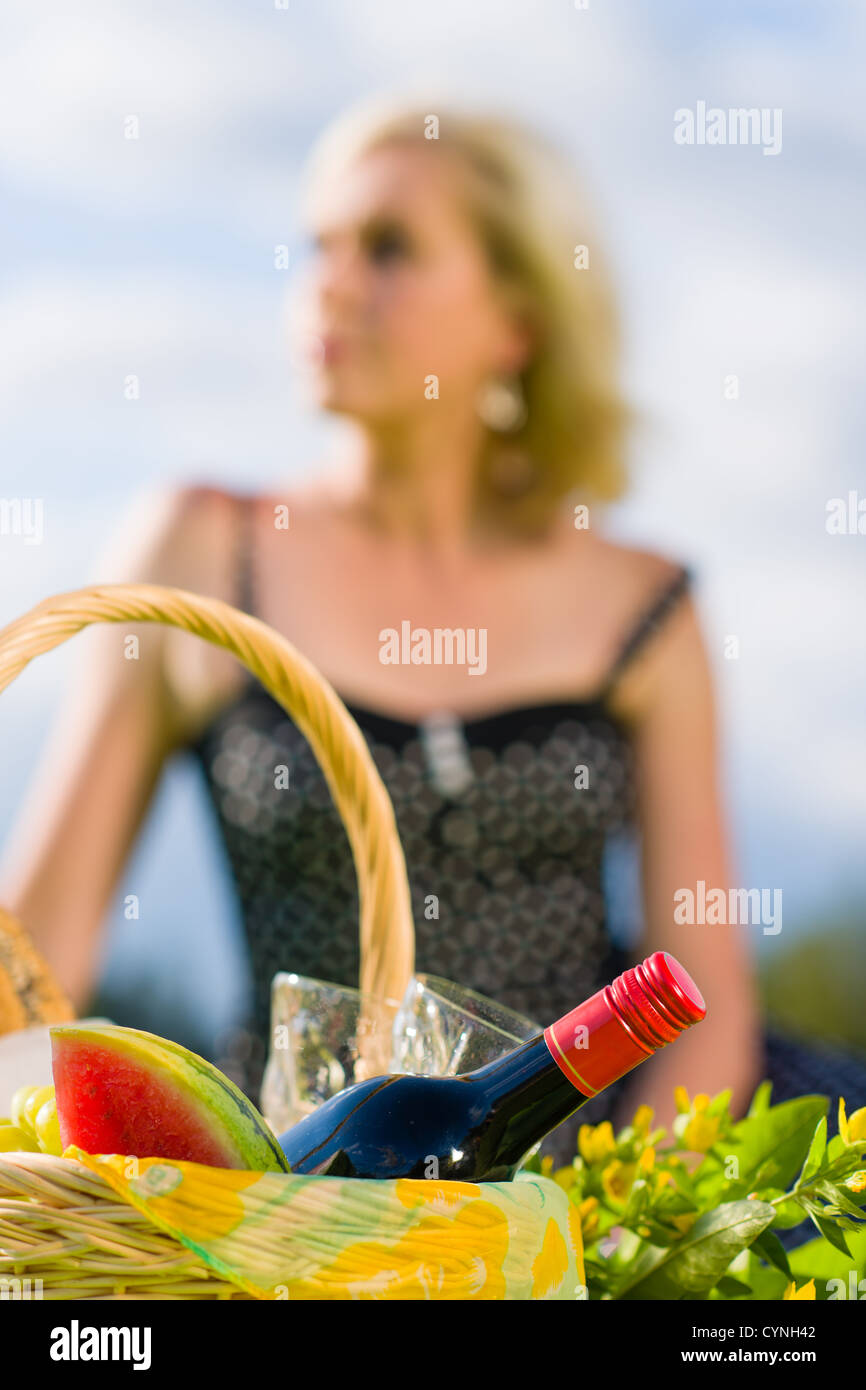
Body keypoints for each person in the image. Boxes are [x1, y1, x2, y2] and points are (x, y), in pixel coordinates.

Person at [4, 98, 846, 1167]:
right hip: (308, 1179)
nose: (331, 281)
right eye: (320, 244)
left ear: (517, 319)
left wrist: (606, 1242)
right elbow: (39, 953)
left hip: (600, 1174)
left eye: (389, 248)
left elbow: (705, 999)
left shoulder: (646, 605)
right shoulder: (200, 550)